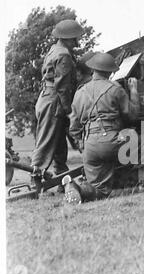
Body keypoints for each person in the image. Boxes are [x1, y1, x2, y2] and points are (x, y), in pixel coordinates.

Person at [63, 52, 144, 204]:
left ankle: (75, 187)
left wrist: (82, 144)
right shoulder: (115, 88)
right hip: (113, 142)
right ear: (110, 72)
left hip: (90, 147)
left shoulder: (79, 93)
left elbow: (73, 127)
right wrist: (134, 90)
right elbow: (132, 115)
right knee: (141, 138)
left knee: (100, 190)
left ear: (93, 70)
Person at [31, 19, 84, 192]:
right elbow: (63, 86)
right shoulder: (64, 55)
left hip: (47, 97)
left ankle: (62, 179)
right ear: (69, 38)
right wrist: (69, 110)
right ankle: (35, 179)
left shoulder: (54, 50)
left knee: (59, 142)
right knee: (46, 140)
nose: (77, 42)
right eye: (75, 38)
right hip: (54, 100)